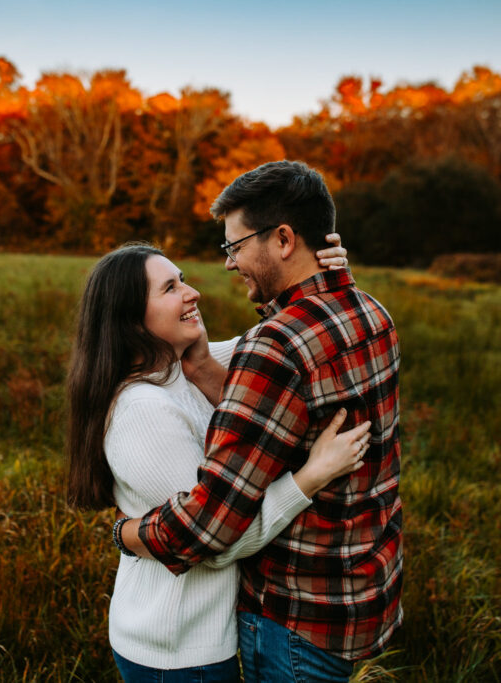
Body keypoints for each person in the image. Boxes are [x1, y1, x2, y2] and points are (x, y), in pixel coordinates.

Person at [118, 160, 402, 682]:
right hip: (365, 596)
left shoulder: (275, 350)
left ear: (284, 239)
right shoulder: (371, 313)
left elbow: (209, 525)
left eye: (235, 246)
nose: (228, 264)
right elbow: (289, 391)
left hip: (295, 617)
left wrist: (127, 533)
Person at [65, 241, 372, 682]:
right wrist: (311, 476)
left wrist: (327, 279)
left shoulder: (182, 366)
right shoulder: (143, 412)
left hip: (204, 636)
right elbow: (216, 541)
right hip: (177, 649)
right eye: (170, 288)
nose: (193, 294)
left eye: (184, 280)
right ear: (131, 320)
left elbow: (285, 338)